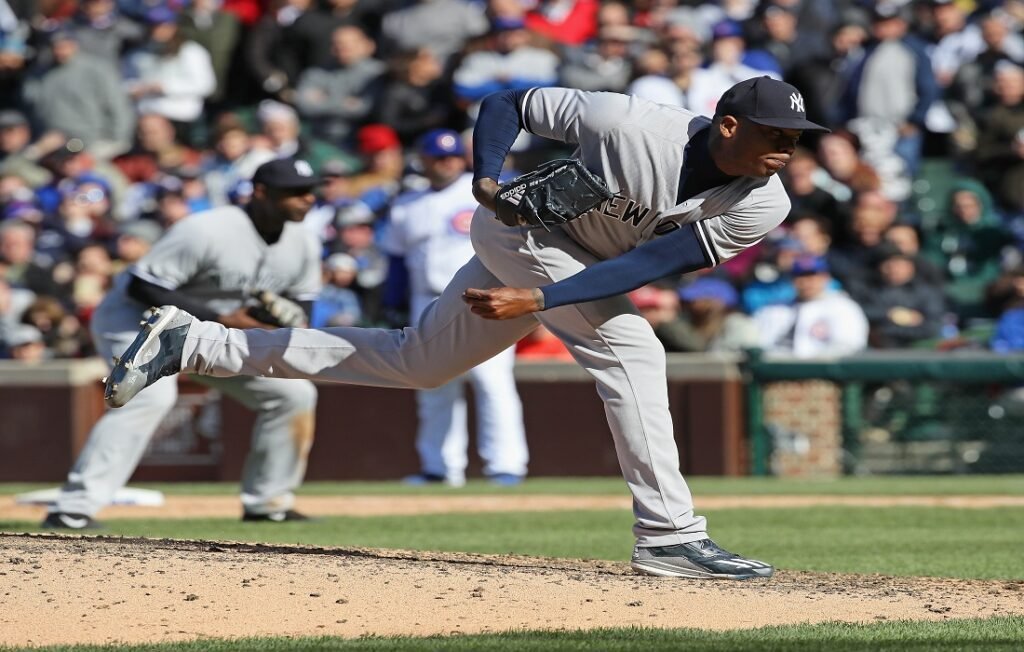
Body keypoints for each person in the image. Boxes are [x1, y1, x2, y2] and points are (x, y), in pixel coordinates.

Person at [105, 77, 826, 580]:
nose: (788, 146)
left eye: (797, 136)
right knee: (634, 351)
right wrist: (487, 177)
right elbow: (508, 102)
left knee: (420, 363)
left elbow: (655, 261)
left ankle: (193, 341)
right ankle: (671, 537)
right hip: (521, 233)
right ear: (728, 124)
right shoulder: (631, 123)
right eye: (776, 132)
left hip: (576, 263)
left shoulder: (763, 203)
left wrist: (538, 302)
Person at [42, 158, 323, 530]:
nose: (306, 199)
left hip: (215, 334)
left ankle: (268, 503)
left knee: (292, 395)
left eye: (309, 191)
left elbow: (301, 308)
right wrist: (224, 319)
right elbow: (143, 285)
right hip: (138, 320)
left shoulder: (302, 242)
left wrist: (276, 317)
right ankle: (73, 508)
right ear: (261, 193)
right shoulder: (207, 230)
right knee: (152, 396)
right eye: (294, 192)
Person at [384, 129, 528, 487]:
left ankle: (506, 465)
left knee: (492, 381)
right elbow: (398, 261)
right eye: (438, 156)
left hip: (483, 294)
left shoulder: (483, 191)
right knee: (432, 383)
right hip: (426, 297)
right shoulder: (406, 203)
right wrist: (391, 303)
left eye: (451, 155)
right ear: (425, 159)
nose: (446, 161)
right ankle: (439, 467)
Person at [753, 255, 869, 358]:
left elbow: (850, 346)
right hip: (774, 373)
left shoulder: (843, 307)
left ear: (825, 278)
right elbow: (756, 346)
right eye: (800, 276)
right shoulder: (773, 310)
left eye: (812, 276)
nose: (806, 282)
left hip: (822, 374)